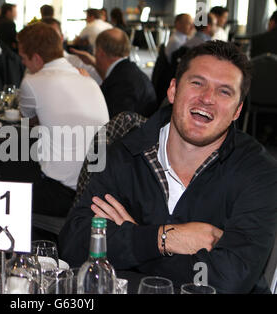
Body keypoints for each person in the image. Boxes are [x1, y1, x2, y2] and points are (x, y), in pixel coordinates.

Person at [59, 40, 277, 294]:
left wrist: (137, 241)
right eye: (197, 83)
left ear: (237, 111)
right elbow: (74, 246)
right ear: (173, 90)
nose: (207, 98)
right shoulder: (124, 153)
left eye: (224, 92)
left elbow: (228, 281)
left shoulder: (259, 173)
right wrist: (164, 238)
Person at [17, 22, 109, 218]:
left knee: (8, 167)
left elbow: (27, 121)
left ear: (36, 58)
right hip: (98, 188)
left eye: (24, 58)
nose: (23, 63)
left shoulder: (31, 82)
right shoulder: (88, 79)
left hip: (62, 193)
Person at [70, 28, 157, 118]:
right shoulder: (126, 70)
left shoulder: (124, 84)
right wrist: (94, 63)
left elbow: (111, 124)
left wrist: (89, 84)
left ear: (100, 52)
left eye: (95, 51)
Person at [41, 17, 102, 85]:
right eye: (42, 38)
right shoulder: (33, 64)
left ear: (61, 38)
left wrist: (93, 63)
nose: (48, 41)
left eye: (53, 36)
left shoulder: (79, 62)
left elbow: (103, 80)